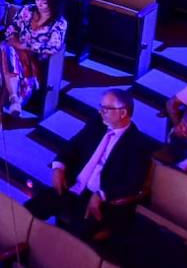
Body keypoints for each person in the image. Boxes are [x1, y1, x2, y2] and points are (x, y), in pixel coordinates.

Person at [27, 89, 152, 238]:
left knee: (68, 240)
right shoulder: (97, 123)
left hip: (99, 202)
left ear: (123, 113)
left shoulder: (138, 144)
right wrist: (59, 168)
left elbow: (132, 183)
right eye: (100, 107)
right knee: (29, 212)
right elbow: (74, 145)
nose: (100, 112)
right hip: (72, 186)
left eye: (105, 109)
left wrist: (102, 194)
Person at [0, 0, 67, 132]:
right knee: (6, 49)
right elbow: (11, 29)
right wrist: (15, 41)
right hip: (13, 51)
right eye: (38, 0)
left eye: (44, 2)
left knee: (3, 52)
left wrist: (27, 46)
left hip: (32, 62)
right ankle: (13, 99)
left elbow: (54, 46)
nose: (39, 5)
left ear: (54, 3)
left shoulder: (59, 23)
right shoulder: (27, 10)